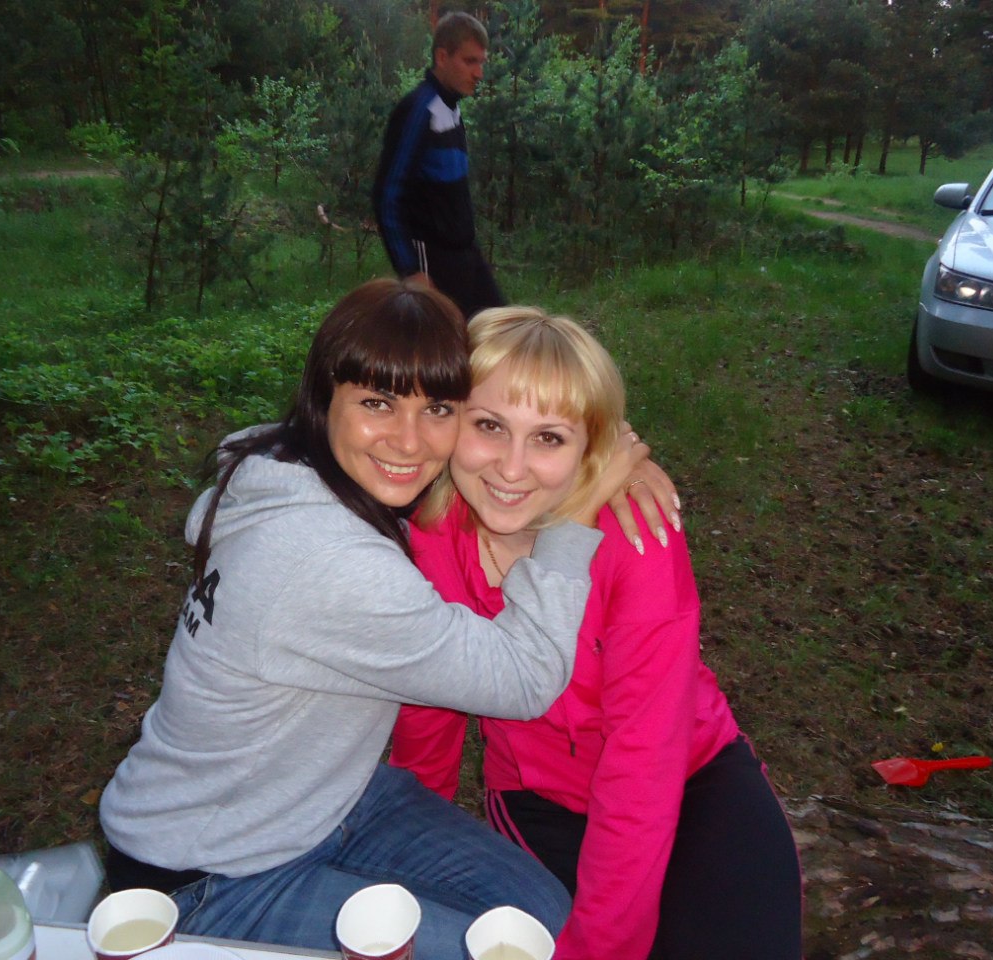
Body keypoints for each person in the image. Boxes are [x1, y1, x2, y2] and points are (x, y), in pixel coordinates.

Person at [98, 279, 656, 960]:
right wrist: (577, 512)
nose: (409, 441)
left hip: (326, 797)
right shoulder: (329, 562)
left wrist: (591, 460)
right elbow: (524, 678)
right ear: (323, 395)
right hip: (209, 870)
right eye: (377, 403)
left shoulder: (280, 464)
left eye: (438, 409)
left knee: (538, 916)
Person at [390, 307, 804, 960]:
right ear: (451, 422)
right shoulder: (436, 538)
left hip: (690, 775)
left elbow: (645, 758)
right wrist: (407, 842)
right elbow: (430, 712)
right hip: (537, 793)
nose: (512, 468)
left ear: (593, 449)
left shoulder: (638, 538)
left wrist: (602, 946)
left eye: (549, 438)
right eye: (489, 425)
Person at [372, 11, 504, 319]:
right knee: (450, 341)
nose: (479, 73)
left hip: (464, 252)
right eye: (470, 61)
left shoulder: (452, 107)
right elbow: (387, 195)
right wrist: (410, 270)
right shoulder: (419, 109)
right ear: (442, 57)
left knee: (500, 326)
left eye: (482, 62)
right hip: (431, 258)